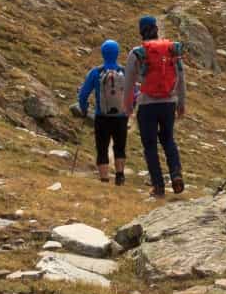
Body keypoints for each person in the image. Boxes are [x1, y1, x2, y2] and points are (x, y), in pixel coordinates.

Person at [123, 15, 186, 196]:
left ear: (141, 31)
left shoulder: (137, 53)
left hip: (147, 104)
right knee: (168, 140)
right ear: (157, 29)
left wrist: (128, 107)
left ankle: (158, 186)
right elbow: (181, 77)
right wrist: (181, 102)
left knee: (150, 145)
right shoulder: (172, 50)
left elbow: (128, 83)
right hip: (168, 103)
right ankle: (176, 174)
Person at [74, 38, 134, 184]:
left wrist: (84, 108)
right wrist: (129, 111)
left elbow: (83, 94)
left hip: (102, 116)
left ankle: (104, 179)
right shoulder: (124, 72)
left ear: (103, 53)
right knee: (119, 147)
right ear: (117, 53)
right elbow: (133, 93)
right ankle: (120, 175)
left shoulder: (95, 72)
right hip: (120, 116)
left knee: (102, 147)